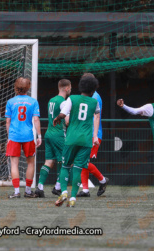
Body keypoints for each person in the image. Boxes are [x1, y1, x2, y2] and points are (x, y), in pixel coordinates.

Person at [53, 75, 100, 207]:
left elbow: (63, 114)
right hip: (86, 140)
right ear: (92, 90)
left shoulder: (72, 98)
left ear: (81, 87)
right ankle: (73, 197)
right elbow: (96, 115)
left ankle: (63, 192)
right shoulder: (94, 102)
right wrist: (95, 136)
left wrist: (58, 118)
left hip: (71, 138)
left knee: (65, 166)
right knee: (78, 169)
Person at [33, 79, 72, 198]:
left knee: (49, 161)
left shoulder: (51, 100)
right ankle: (58, 187)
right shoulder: (63, 102)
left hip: (48, 133)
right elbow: (67, 121)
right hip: (58, 134)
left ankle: (40, 187)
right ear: (66, 88)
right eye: (70, 88)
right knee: (64, 161)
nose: (70, 90)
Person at [5, 77, 42, 198]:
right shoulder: (33, 101)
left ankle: (16, 192)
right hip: (28, 136)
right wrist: (39, 135)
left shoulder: (11, 101)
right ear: (28, 87)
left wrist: (9, 136)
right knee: (30, 163)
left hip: (14, 136)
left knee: (14, 164)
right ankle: (28, 191)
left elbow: (7, 121)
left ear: (16, 87)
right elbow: (36, 119)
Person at [77, 73, 109, 198]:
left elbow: (95, 116)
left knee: (83, 161)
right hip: (85, 133)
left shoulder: (94, 96)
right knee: (82, 161)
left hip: (92, 134)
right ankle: (85, 190)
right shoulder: (87, 96)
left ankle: (102, 180)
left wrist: (95, 135)